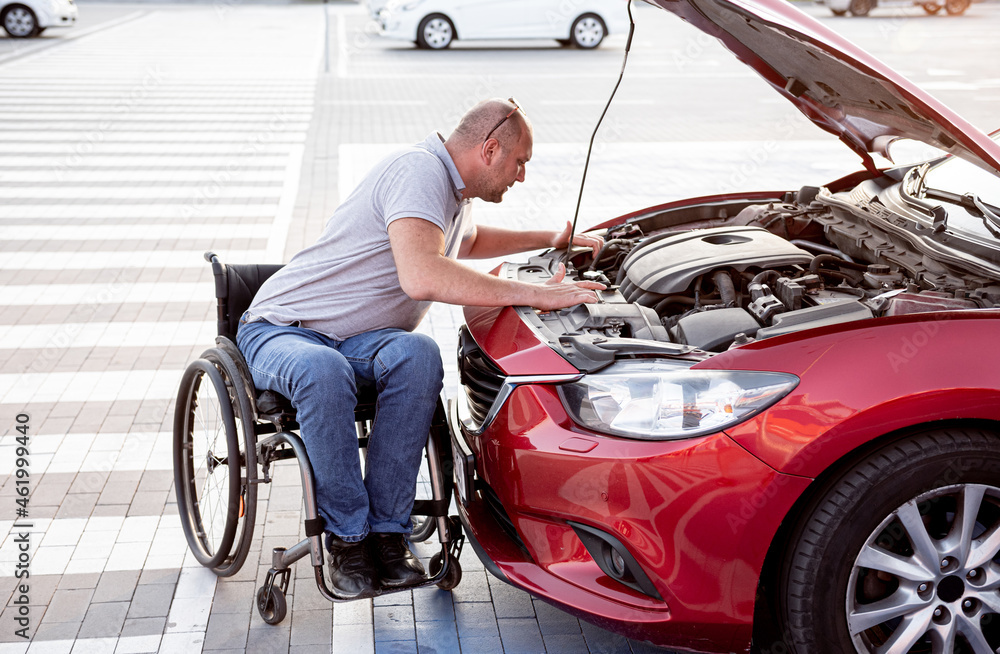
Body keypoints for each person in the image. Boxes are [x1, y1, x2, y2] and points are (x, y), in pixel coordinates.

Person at [236, 98, 605, 598]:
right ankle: (347, 540)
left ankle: (388, 535)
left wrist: (553, 237)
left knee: (418, 354)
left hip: (353, 341)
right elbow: (423, 275)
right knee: (323, 370)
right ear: (490, 148)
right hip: (284, 330)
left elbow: (465, 242)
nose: (521, 177)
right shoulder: (418, 171)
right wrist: (537, 294)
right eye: (519, 163)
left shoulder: (451, 190)